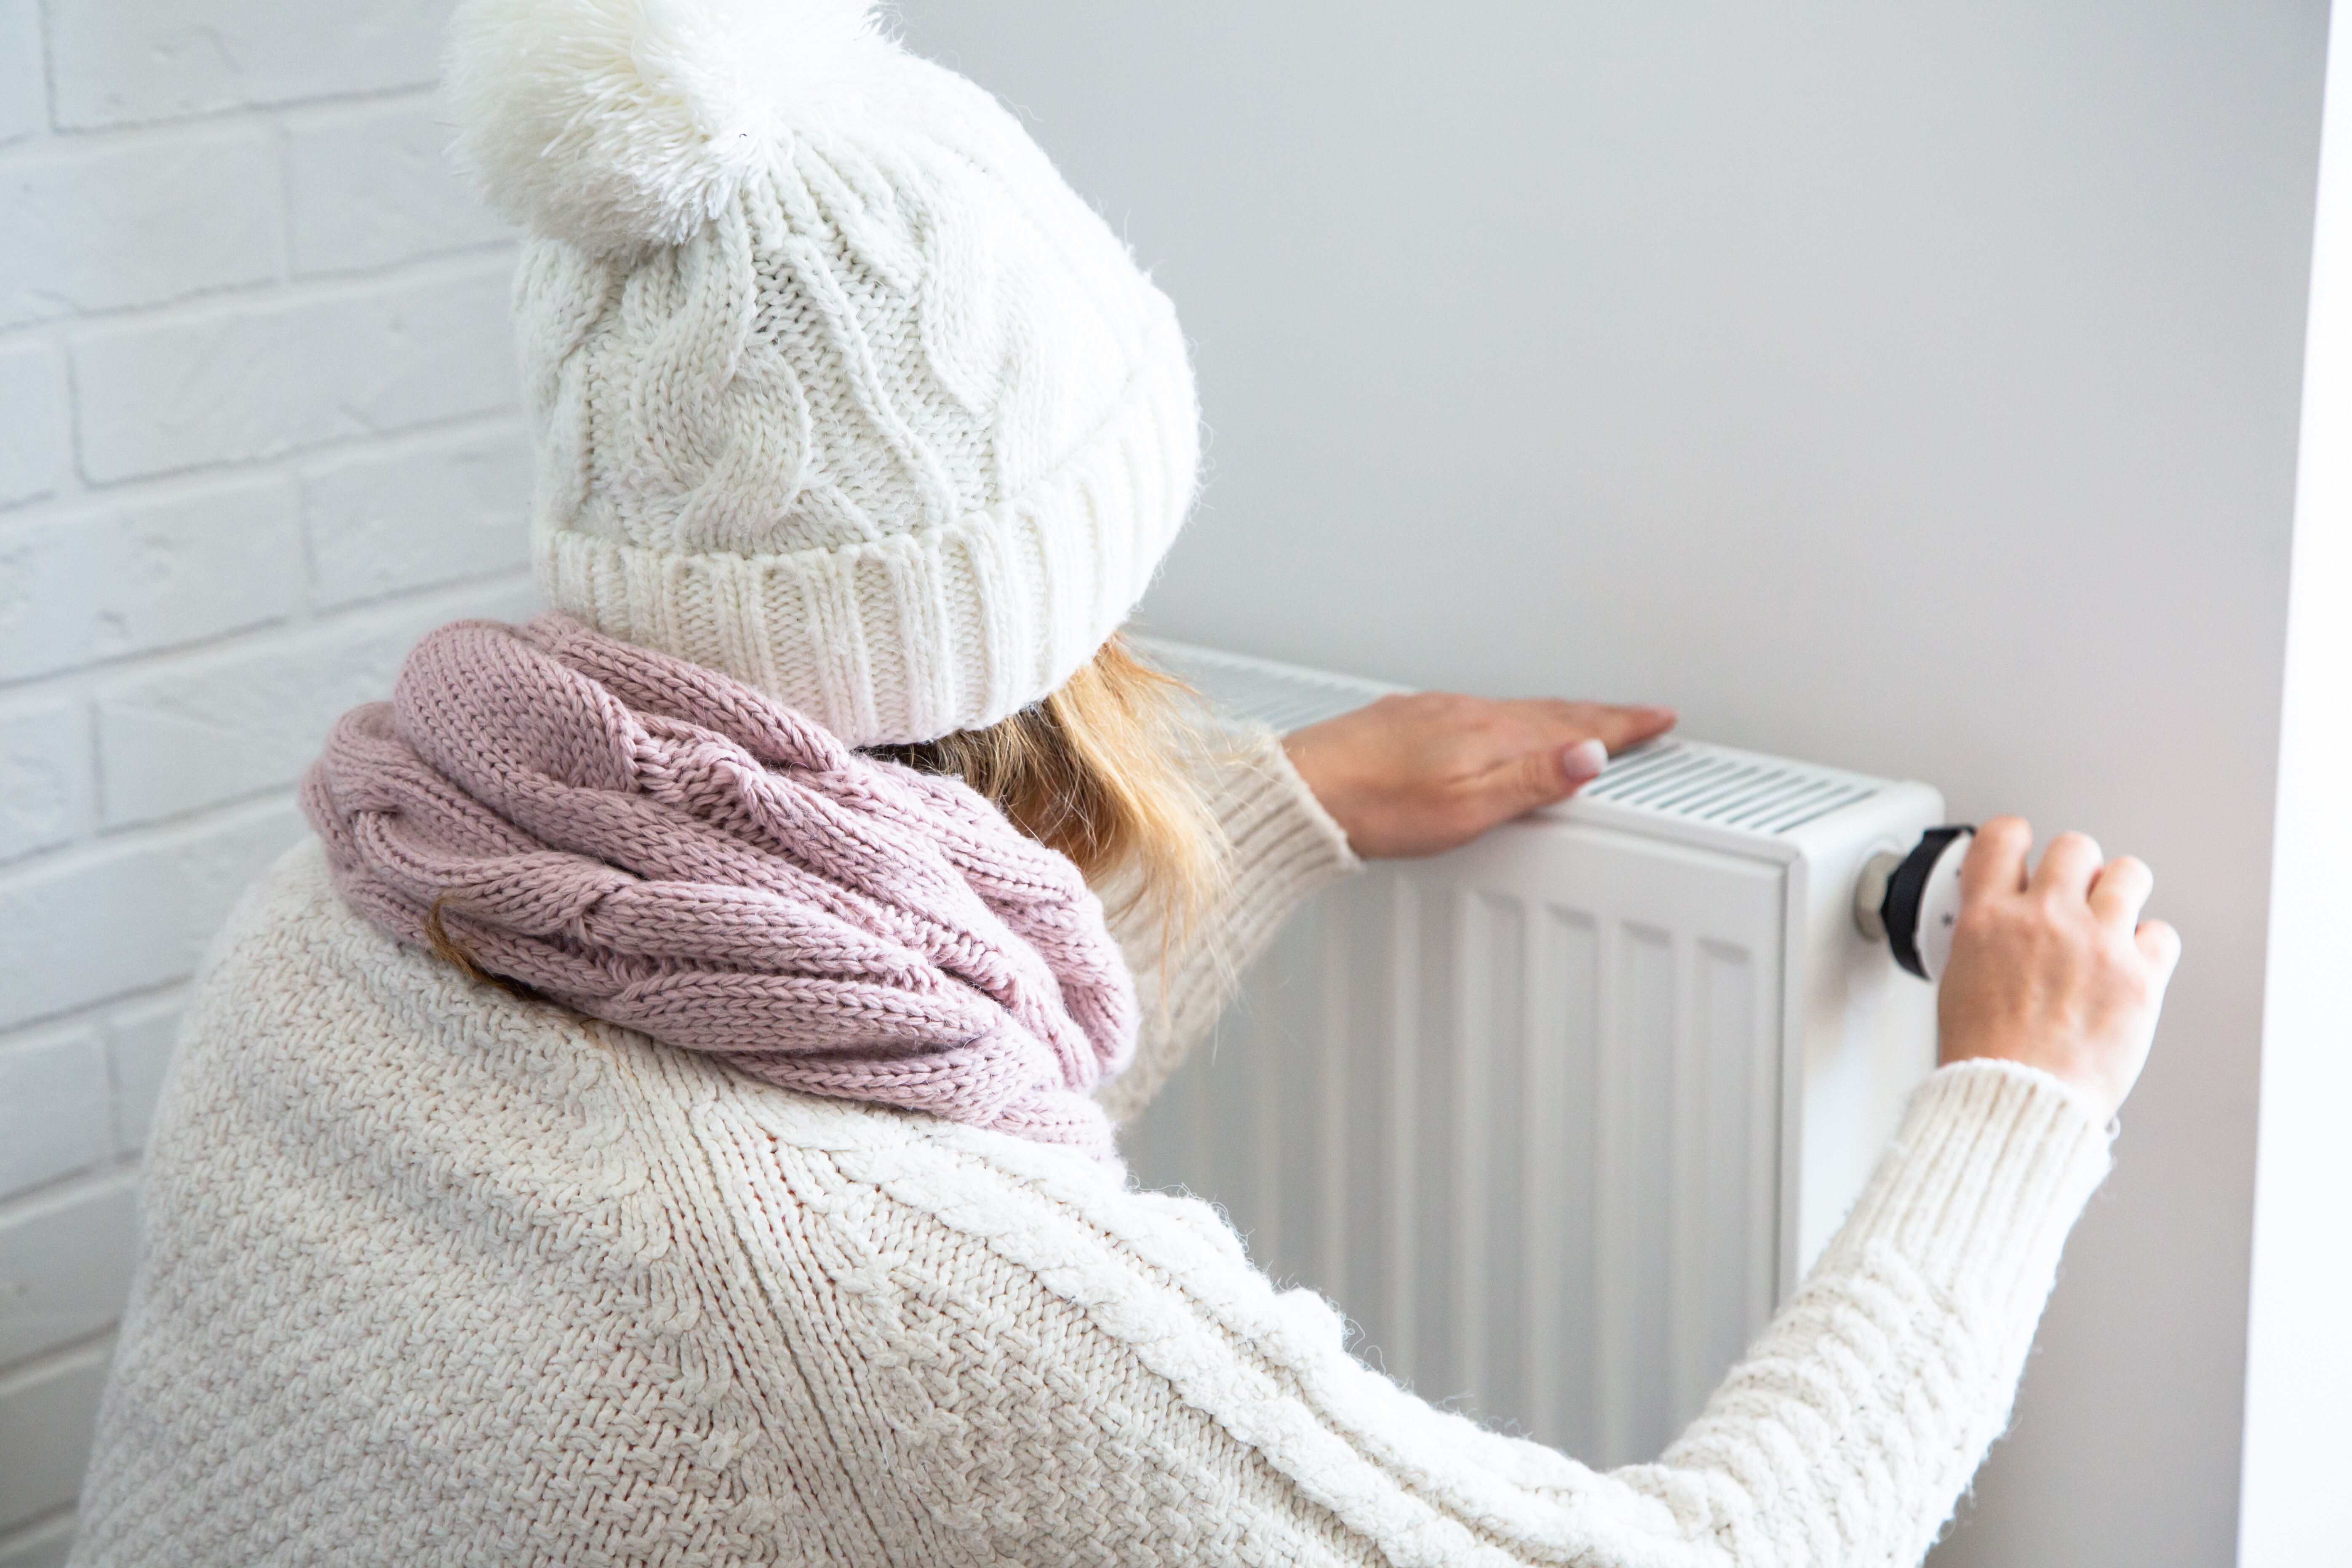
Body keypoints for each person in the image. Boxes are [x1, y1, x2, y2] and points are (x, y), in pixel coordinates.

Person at [67, 2, 2180, 1563]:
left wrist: (1266, 812)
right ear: (1030, 629)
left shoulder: (335, 919)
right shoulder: (888, 1299)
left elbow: (804, 1088)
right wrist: (2015, 1097)